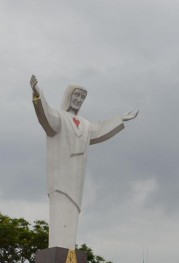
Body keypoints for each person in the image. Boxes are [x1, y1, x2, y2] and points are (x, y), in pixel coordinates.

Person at [30, 75, 138, 249]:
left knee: (72, 213)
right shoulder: (59, 117)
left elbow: (100, 129)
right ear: (68, 95)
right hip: (60, 179)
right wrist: (37, 95)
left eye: (82, 97)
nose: (79, 99)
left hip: (76, 179)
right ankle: (59, 250)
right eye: (76, 95)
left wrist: (120, 119)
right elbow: (46, 115)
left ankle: (69, 252)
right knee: (60, 212)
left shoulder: (85, 124)